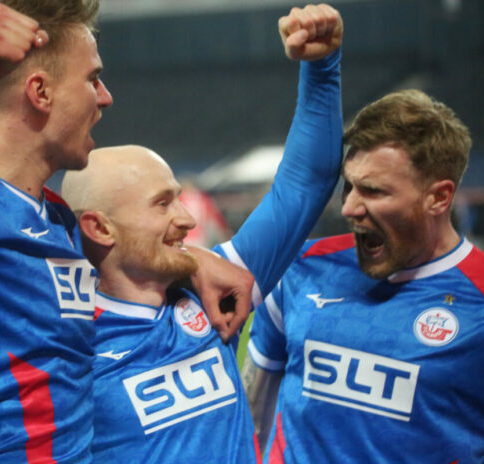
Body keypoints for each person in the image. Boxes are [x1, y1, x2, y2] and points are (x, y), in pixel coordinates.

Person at [0, 1, 252, 463]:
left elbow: (130, 259)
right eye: (92, 79)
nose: (105, 97)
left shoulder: (56, 217)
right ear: (40, 92)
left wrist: (193, 263)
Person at [61, 4, 343, 461]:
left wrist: (322, 67)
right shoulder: (63, 344)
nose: (188, 219)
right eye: (162, 204)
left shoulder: (218, 292)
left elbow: (305, 185)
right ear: (99, 227)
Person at [242, 89, 484, 463]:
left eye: (373, 191)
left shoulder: (480, 302)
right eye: (349, 186)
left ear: (439, 197)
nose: (350, 207)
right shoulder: (303, 267)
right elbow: (252, 417)